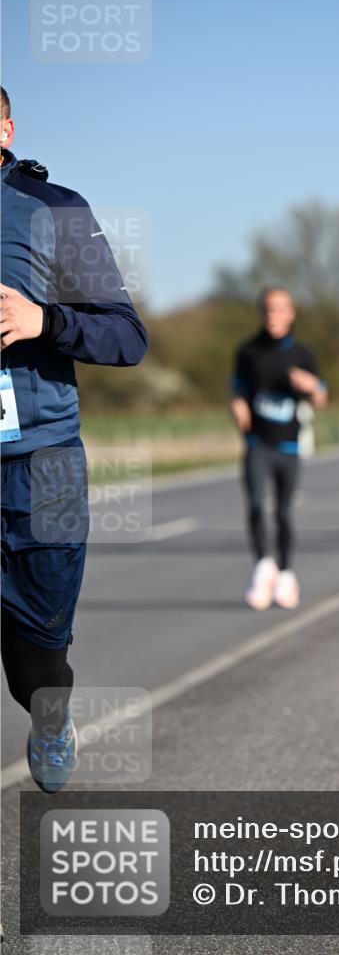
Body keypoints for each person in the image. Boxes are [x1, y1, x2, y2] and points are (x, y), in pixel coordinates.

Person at [0, 87, 148, 792]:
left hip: (45, 462)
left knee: (37, 667)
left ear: (7, 126)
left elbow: (126, 336)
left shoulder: (57, 209)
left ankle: (51, 716)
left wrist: (43, 322)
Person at [231, 286, 327, 610]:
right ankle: (263, 567)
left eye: (279, 309)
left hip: (289, 445)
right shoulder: (248, 351)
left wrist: (311, 386)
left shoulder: (303, 354)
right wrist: (238, 407)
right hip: (258, 443)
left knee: (284, 512)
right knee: (257, 505)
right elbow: (237, 391)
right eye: (268, 309)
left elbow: (321, 398)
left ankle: (286, 573)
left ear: (291, 313)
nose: (273, 315)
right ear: (262, 312)